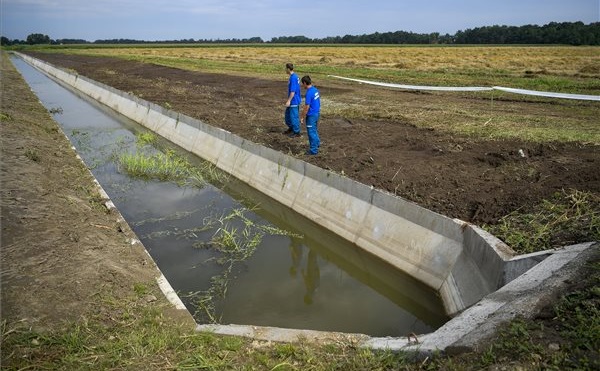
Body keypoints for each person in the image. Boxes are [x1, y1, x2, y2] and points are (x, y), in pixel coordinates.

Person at [300, 75, 321, 155]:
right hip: (316, 113)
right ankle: (317, 143)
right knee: (314, 130)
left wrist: (302, 117)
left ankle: (313, 150)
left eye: (302, 84)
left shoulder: (309, 93)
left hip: (311, 115)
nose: (302, 86)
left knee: (311, 132)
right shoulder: (315, 90)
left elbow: (306, 107)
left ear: (305, 83)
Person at [283, 63, 301, 137]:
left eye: (285, 68)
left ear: (288, 69)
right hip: (292, 100)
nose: (285, 70)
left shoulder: (293, 78)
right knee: (287, 116)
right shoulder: (293, 76)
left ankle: (296, 132)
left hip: (294, 100)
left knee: (294, 116)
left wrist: (289, 100)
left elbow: (293, 91)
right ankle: (291, 128)